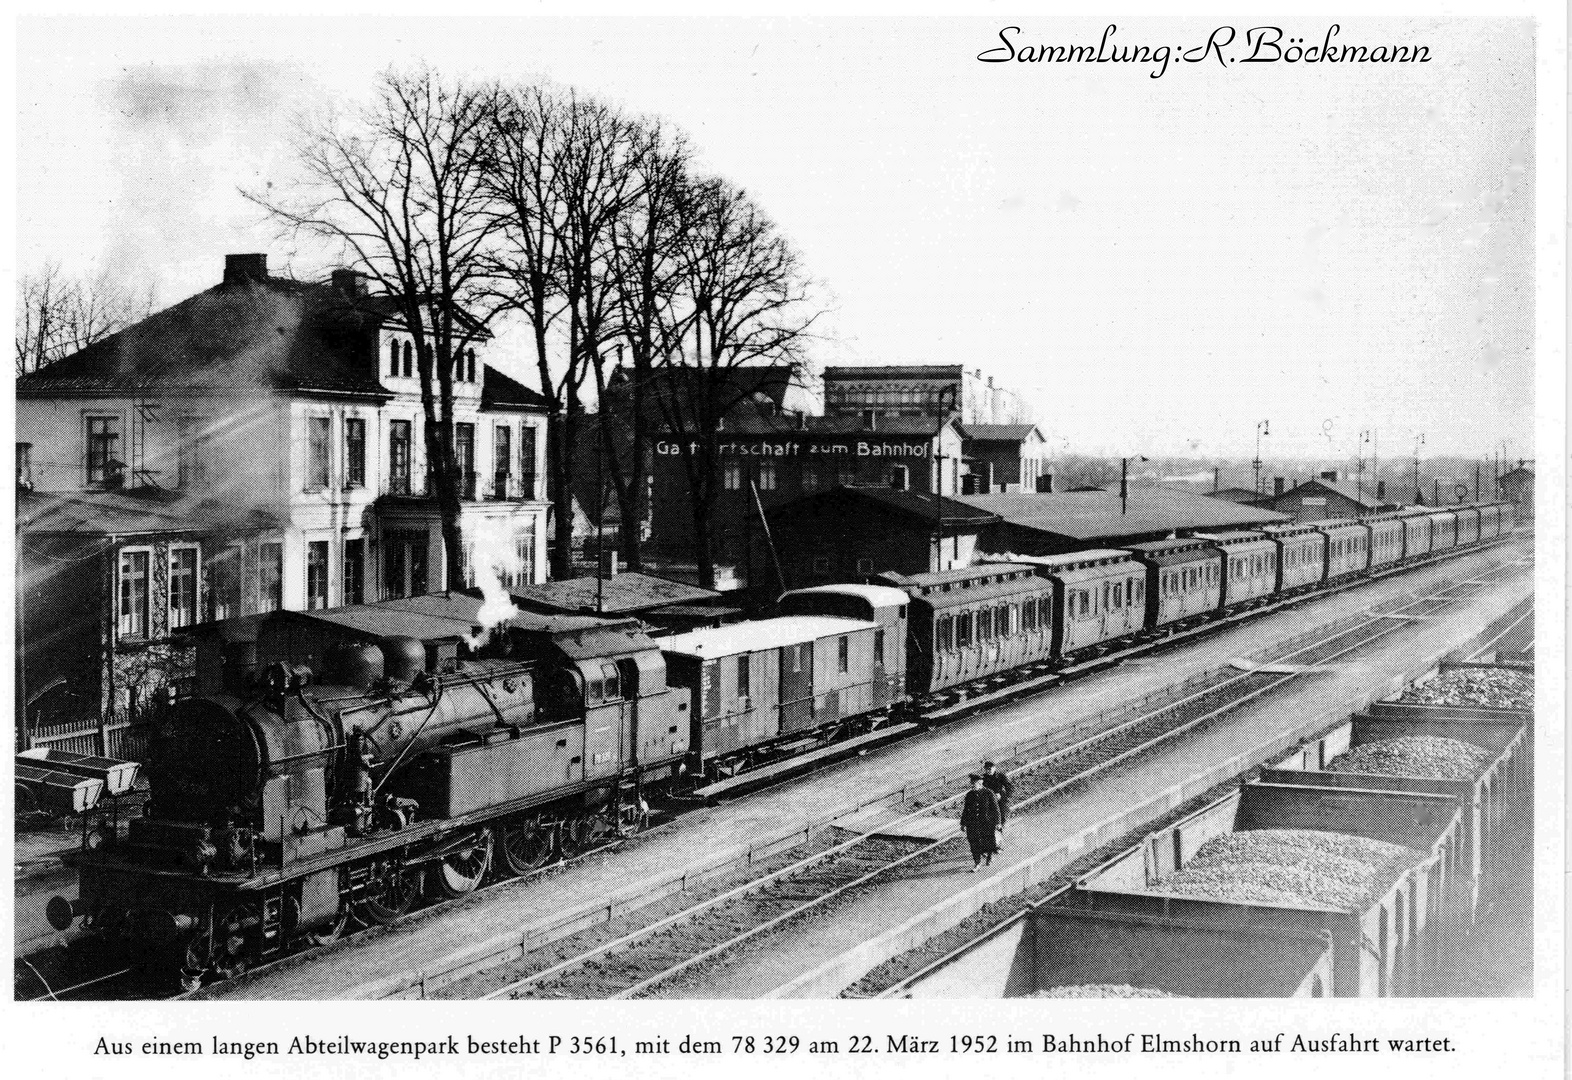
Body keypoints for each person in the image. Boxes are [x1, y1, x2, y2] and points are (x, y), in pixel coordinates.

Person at [959, 774, 1001, 872]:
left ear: (980, 783)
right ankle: (977, 863)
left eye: (975, 784)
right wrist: (963, 823)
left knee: (988, 841)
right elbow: (966, 810)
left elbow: (995, 809)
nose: (973, 786)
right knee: (973, 843)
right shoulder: (969, 795)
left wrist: (998, 822)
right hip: (972, 823)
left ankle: (989, 856)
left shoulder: (989, 793)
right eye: (972, 784)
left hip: (987, 823)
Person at [981, 761, 1014, 847]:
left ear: (994, 768)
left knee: (1000, 822)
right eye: (987, 769)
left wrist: (1004, 796)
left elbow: (1009, 787)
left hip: (1000, 803)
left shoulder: (1000, 776)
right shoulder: (983, 779)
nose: (989, 771)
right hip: (989, 804)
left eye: (990, 768)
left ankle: (998, 844)